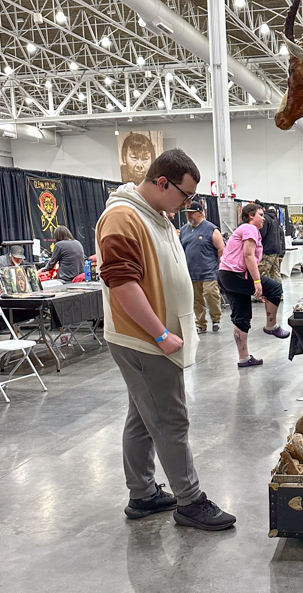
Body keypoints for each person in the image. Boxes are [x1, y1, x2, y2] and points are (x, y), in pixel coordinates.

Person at [96, 148, 235, 531]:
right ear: (162, 182)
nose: (188, 204)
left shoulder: (155, 214)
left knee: (143, 417)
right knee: (171, 421)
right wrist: (159, 333)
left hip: (154, 338)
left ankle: (142, 494)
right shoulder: (123, 216)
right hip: (144, 340)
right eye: (185, 195)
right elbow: (121, 283)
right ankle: (190, 502)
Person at [218, 203, 289, 368]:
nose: (263, 219)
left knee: (241, 316)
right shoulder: (250, 229)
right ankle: (271, 326)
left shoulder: (242, 229)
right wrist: (257, 282)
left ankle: (243, 358)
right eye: (261, 215)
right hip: (235, 275)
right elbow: (248, 255)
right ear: (251, 215)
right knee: (275, 288)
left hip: (226, 275)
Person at [179, 200, 224, 334]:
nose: (189, 216)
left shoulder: (211, 229)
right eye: (187, 213)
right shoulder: (184, 230)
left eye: (192, 213)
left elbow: (221, 248)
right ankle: (201, 324)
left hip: (209, 271)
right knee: (196, 300)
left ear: (200, 213)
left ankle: (216, 319)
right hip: (192, 272)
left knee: (211, 294)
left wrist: (221, 267)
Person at [259, 205, 286, 282]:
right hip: (276, 250)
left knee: (263, 273)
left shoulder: (265, 219)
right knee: (276, 273)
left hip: (267, 251)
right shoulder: (275, 219)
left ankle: (264, 290)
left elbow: (262, 235)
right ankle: (278, 289)